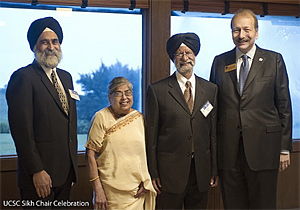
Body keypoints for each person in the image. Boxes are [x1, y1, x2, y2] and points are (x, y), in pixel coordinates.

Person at [209, 9, 292, 209]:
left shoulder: (274, 60)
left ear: (256, 31)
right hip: (228, 152)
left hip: (264, 149)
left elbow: (284, 105)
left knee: (263, 205)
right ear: (231, 33)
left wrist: (284, 147)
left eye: (246, 29)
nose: (241, 35)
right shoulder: (220, 62)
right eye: (236, 30)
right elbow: (213, 106)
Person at [6, 17, 78, 208]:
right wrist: (37, 170)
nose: (51, 46)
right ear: (34, 46)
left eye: (55, 41)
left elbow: (69, 124)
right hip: (39, 177)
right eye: (44, 42)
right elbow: (22, 132)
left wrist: (71, 169)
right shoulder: (23, 77)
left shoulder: (66, 78)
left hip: (65, 175)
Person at [146, 32, 218, 209]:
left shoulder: (211, 89)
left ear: (195, 55)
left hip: (201, 171)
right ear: (173, 58)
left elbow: (213, 133)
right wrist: (153, 172)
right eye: (179, 53)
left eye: (188, 52)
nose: (184, 57)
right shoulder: (157, 90)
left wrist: (214, 168)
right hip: (169, 174)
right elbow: (151, 136)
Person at [85, 77, 156, 210]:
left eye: (128, 92)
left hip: (137, 192)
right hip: (110, 193)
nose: (124, 97)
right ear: (109, 97)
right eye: (118, 93)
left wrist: (146, 180)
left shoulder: (139, 118)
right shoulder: (101, 117)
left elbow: (145, 153)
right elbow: (90, 155)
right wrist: (98, 190)